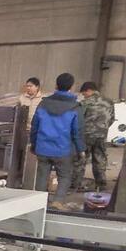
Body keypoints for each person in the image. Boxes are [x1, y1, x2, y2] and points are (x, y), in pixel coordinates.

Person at [30, 72, 85, 208]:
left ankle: (39, 203)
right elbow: (77, 132)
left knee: (42, 175)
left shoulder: (43, 104)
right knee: (65, 176)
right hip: (63, 150)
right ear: (71, 87)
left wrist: (34, 144)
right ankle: (58, 201)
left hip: (43, 148)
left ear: (56, 85)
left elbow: (34, 126)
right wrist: (81, 149)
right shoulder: (75, 107)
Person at [74, 81, 115, 191]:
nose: (84, 96)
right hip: (102, 135)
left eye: (84, 93)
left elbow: (78, 120)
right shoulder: (109, 101)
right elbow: (111, 119)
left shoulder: (84, 103)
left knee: (81, 159)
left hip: (86, 135)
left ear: (89, 90)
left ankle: (76, 183)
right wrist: (102, 128)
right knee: (100, 158)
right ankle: (101, 184)